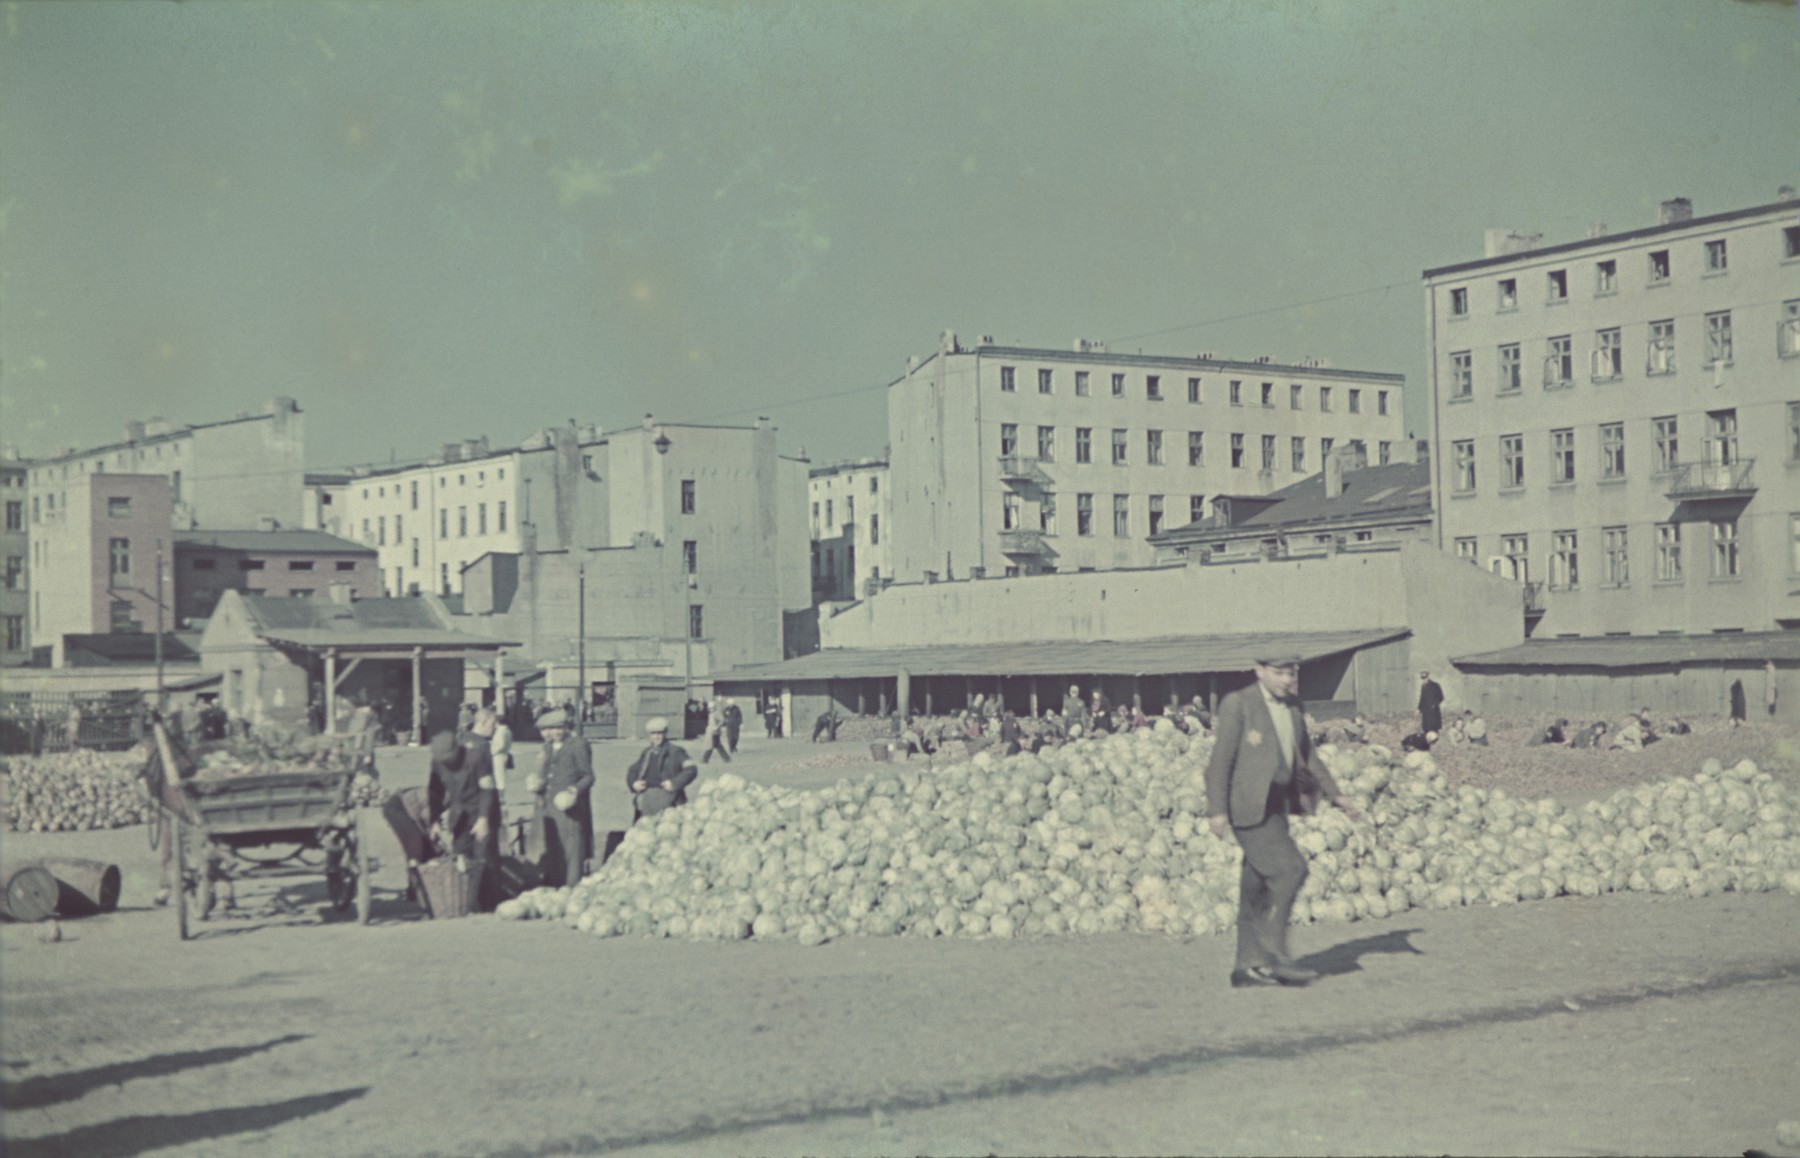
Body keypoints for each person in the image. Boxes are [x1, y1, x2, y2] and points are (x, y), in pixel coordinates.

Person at [1205, 655, 1361, 988]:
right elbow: (1220, 759)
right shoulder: (1239, 704)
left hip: (1277, 807)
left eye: (1289, 673)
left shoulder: (1291, 705)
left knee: (1255, 889)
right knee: (1291, 870)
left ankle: (1245, 967)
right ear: (1259, 671)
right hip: (1247, 808)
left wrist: (1336, 794)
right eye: (1277, 673)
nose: (1284, 680)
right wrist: (1217, 809)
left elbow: (1308, 756)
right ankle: (1275, 951)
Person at [429, 721, 500, 911]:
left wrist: (484, 819)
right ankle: (466, 901)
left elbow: (487, 790)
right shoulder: (437, 762)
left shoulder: (475, 758)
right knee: (461, 855)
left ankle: (489, 904)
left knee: (484, 858)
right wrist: (434, 820)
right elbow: (434, 792)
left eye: (449, 758)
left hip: (480, 810)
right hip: (459, 813)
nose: (447, 763)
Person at [531, 709, 594, 888]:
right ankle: (558, 884)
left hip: (570, 807)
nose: (557, 732)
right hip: (550, 806)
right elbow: (545, 774)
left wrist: (574, 790)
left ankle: (572, 885)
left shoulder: (578, 745)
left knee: (572, 847)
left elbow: (588, 777)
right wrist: (537, 783)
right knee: (554, 846)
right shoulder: (547, 747)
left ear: (567, 727)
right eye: (553, 728)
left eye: (561, 727)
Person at [627, 717, 699, 822]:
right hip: (646, 797)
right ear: (649, 736)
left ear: (665, 733)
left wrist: (674, 783)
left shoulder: (676, 751)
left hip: (669, 799)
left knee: (667, 833)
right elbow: (633, 769)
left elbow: (691, 769)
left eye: (660, 733)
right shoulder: (647, 752)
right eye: (653, 733)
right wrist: (634, 783)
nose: (657, 737)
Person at [486, 706, 513, 793]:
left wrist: (492, 751)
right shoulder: (507, 730)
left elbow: (500, 745)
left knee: (499, 777)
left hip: (498, 756)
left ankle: (500, 797)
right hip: (504, 754)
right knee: (500, 776)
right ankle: (500, 795)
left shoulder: (501, 731)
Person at [702, 700, 732, 764]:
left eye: (711, 708)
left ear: (714, 707)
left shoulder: (716, 713)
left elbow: (722, 720)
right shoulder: (711, 714)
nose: (710, 709)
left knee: (710, 745)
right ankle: (727, 759)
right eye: (709, 708)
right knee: (718, 746)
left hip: (715, 733)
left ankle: (705, 759)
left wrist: (717, 726)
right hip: (712, 732)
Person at [1417, 671, 1444, 736]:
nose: (1424, 680)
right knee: (1426, 728)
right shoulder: (1423, 687)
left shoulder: (1435, 685)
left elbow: (1441, 697)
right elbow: (1422, 699)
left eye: (1425, 678)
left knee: (1434, 727)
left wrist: (1434, 704)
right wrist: (1418, 709)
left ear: (1428, 677)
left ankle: (1435, 741)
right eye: (1423, 678)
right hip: (1426, 712)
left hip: (1433, 712)